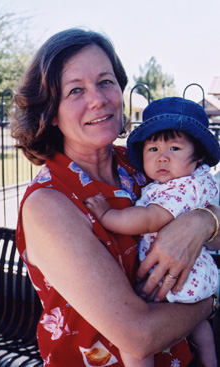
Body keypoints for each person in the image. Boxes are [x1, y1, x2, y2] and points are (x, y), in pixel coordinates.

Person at [10, 28, 220, 367]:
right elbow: (139, 335)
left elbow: (208, 223)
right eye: (76, 90)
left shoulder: (142, 165)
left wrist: (202, 221)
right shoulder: (49, 202)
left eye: (106, 81)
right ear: (49, 113)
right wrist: (210, 301)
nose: (98, 99)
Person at [85, 97, 220, 367]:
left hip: (176, 280)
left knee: (135, 348)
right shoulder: (198, 181)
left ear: (200, 155)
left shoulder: (179, 189)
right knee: (200, 327)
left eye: (175, 147)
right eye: (153, 148)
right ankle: (210, 360)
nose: (162, 157)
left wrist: (107, 215)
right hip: (197, 277)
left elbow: (148, 219)